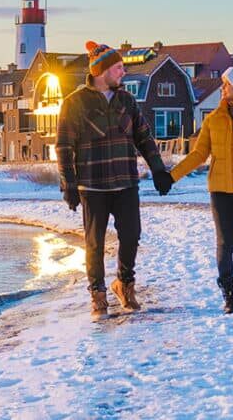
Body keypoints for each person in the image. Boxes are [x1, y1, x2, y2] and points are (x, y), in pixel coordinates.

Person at [56, 40, 172, 320]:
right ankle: (98, 297)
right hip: (92, 186)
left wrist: (158, 170)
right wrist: (68, 185)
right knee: (94, 244)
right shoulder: (74, 103)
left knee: (131, 236)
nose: (123, 73)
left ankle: (124, 284)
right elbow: (63, 147)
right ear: (102, 71)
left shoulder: (127, 101)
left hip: (126, 183)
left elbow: (144, 138)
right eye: (119, 68)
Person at [169, 67, 233, 314]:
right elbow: (198, 154)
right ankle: (229, 293)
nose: (222, 89)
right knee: (225, 242)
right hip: (219, 189)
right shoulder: (213, 119)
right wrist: (171, 176)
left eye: (226, 85)